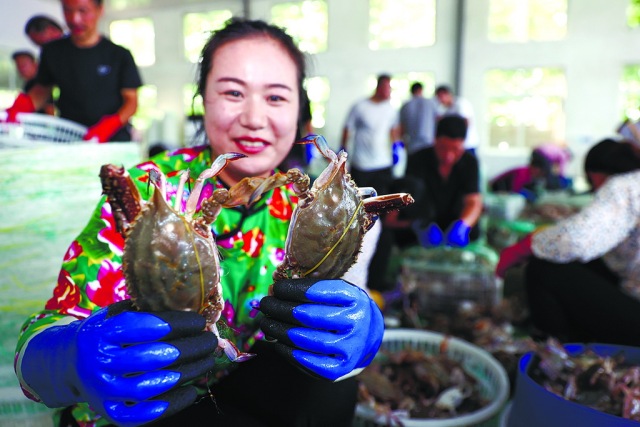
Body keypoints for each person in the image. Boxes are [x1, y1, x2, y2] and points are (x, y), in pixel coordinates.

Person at [14, 18, 384, 427]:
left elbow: (333, 322)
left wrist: (358, 333)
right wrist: (67, 360)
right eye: (232, 92)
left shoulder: (306, 204)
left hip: (228, 388)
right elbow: (36, 347)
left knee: (329, 387)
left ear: (301, 111)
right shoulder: (150, 193)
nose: (253, 118)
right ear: (203, 100)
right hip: (139, 407)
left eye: (276, 98)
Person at [495, 138, 640, 345]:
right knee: (586, 262)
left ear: (596, 177)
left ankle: (559, 354)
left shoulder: (626, 186)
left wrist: (526, 245)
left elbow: (572, 242)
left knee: (545, 268)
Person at [5, 0, 142, 143]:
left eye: (83, 11)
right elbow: (42, 90)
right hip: (70, 137)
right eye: (67, 10)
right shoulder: (52, 52)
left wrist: (109, 125)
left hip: (113, 141)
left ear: (99, 9)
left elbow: (131, 101)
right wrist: (21, 107)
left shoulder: (119, 55)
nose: (75, 19)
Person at [403, 114, 483, 248]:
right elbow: (409, 200)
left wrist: (463, 226)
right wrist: (421, 224)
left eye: (455, 149)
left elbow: (473, 201)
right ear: (435, 140)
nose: (448, 156)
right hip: (425, 224)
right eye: (443, 148)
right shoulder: (417, 159)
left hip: (456, 223)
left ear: (463, 144)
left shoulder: (470, 162)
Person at [340, 73, 401, 195]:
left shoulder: (390, 108)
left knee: (384, 200)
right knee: (362, 202)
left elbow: (393, 129)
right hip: (362, 164)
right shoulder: (360, 106)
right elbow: (348, 128)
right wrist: (343, 150)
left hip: (383, 164)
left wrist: (397, 147)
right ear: (379, 87)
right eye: (387, 88)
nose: (390, 91)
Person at [489, 143, 572, 201]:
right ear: (534, 168)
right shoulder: (523, 172)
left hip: (537, 151)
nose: (539, 173)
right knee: (549, 175)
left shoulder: (528, 173)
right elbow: (515, 188)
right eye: (539, 170)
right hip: (496, 186)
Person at [434, 84, 479, 154]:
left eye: (441, 96)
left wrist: (461, 140)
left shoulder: (460, 104)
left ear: (448, 94)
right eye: (437, 97)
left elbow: (466, 122)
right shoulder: (445, 109)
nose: (439, 100)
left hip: (467, 144)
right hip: (455, 145)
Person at [11, 50, 55, 115]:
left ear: (35, 64)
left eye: (24, 65)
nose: (21, 68)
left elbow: (51, 109)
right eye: (18, 65)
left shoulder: (44, 82)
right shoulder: (28, 85)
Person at [399, 81, 438, 155]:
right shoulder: (431, 103)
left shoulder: (406, 106)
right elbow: (438, 120)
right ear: (421, 90)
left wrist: (403, 142)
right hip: (429, 141)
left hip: (412, 143)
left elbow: (402, 127)